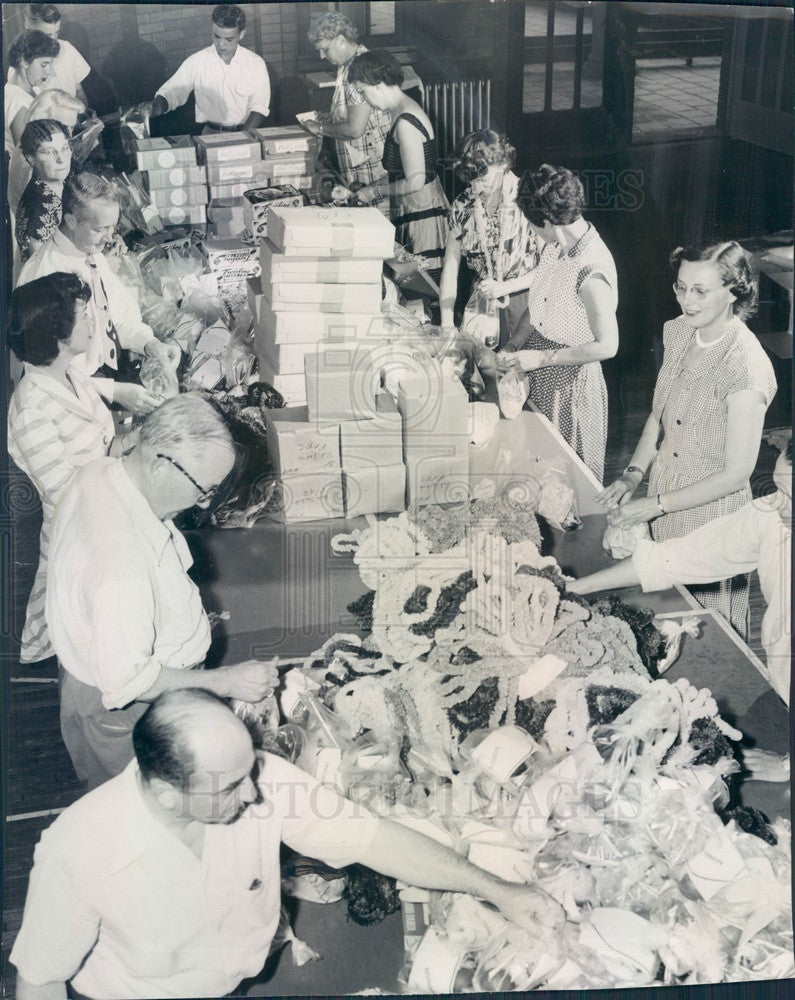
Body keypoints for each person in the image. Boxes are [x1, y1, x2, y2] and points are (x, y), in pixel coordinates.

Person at [11, 689, 563, 1000]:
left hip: (231, 981)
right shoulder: (76, 852)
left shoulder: (262, 780)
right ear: (167, 794)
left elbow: (375, 840)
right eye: (232, 786)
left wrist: (501, 889)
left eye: (251, 767)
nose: (256, 792)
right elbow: (40, 978)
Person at [44, 394, 284, 789]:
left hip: (88, 668)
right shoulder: (120, 566)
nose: (203, 503)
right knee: (138, 809)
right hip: (131, 712)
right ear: (159, 463)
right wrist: (228, 682)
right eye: (202, 488)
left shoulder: (102, 471)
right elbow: (130, 682)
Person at [600, 241, 776, 637]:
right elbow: (657, 416)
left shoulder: (745, 365)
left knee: (705, 633)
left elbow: (736, 474)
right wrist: (632, 474)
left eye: (700, 291)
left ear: (734, 290)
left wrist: (655, 506)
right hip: (663, 494)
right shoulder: (678, 331)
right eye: (681, 287)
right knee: (664, 613)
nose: (687, 301)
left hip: (712, 517)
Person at [572, 440, 791, 705]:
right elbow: (673, 558)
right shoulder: (769, 514)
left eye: (790, 496)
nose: (778, 504)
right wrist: (574, 589)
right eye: (778, 488)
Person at [7, 273, 136, 666]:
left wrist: (139, 439)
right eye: (85, 318)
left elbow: (104, 443)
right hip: (78, 531)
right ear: (59, 338)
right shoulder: (32, 407)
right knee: (78, 626)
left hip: (104, 506)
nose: (93, 324)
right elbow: (66, 496)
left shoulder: (73, 374)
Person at [18, 170, 176, 416]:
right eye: (101, 229)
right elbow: (42, 375)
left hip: (102, 378)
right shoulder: (45, 278)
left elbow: (120, 318)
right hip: (70, 402)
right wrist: (112, 391)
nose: (110, 238)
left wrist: (151, 345)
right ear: (71, 221)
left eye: (113, 227)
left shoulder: (91, 254)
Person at [499, 164, 619, 482]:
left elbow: (608, 345)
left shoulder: (591, 270)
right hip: (537, 368)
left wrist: (540, 358)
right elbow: (539, 304)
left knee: (566, 483)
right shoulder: (555, 247)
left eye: (532, 225)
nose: (532, 231)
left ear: (549, 222)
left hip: (570, 381)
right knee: (534, 471)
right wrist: (515, 343)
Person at [348, 49, 450, 280]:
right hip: (414, 207)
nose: (364, 99)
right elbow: (403, 171)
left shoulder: (405, 121)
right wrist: (370, 189)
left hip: (421, 213)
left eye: (363, 92)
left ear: (377, 83)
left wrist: (375, 191)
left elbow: (415, 181)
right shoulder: (400, 109)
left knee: (423, 283)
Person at [439, 129, 540, 348]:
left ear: (503, 164)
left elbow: (553, 266)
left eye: (482, 178)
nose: (476, 187)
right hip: (480, 304)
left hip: (526, 306)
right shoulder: (463, 205)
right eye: (470, 180)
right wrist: (446, 323)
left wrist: (507, 286)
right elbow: (450, 266)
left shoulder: (529, 197)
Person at [305, 11, 390, 213]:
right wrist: (331, 116)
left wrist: (319, 128)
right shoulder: (348, 65)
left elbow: (354, 129)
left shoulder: (359, 69)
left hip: (374, 172)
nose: (322, 56)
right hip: (363, 169)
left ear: (341, 40)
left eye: (325, 49)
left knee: (378, 228)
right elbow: (356, 112)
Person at [150, 4, 270, 132]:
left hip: (247, 131)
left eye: (228, 39)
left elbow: (259, 108)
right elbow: (171, 93)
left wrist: (243, 139)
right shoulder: (197, 61)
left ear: (241, 34)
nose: (221, 44)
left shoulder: (255, 63)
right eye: (216, 36)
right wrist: (151, 109)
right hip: (211, 133)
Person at [5, 29, 60, 212]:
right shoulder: (16, 99)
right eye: (44, 64)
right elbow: (29, 156)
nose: (49, 71)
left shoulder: (30, 92)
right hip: (29, 192)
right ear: (23, 62)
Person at [15, 119, 71, 262]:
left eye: (64, 148)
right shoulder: (40, 203)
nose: (61, 159)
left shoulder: (52, 186)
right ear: (31, 158)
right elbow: (45, 267)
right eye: (50, 152)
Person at [14, 4, 90, 102]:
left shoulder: (67, 48)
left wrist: (84, 113)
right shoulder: (22, 62)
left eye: (56, 32)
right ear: (28, 27)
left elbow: (78, 90)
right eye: (47, 35)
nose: (53, 40)